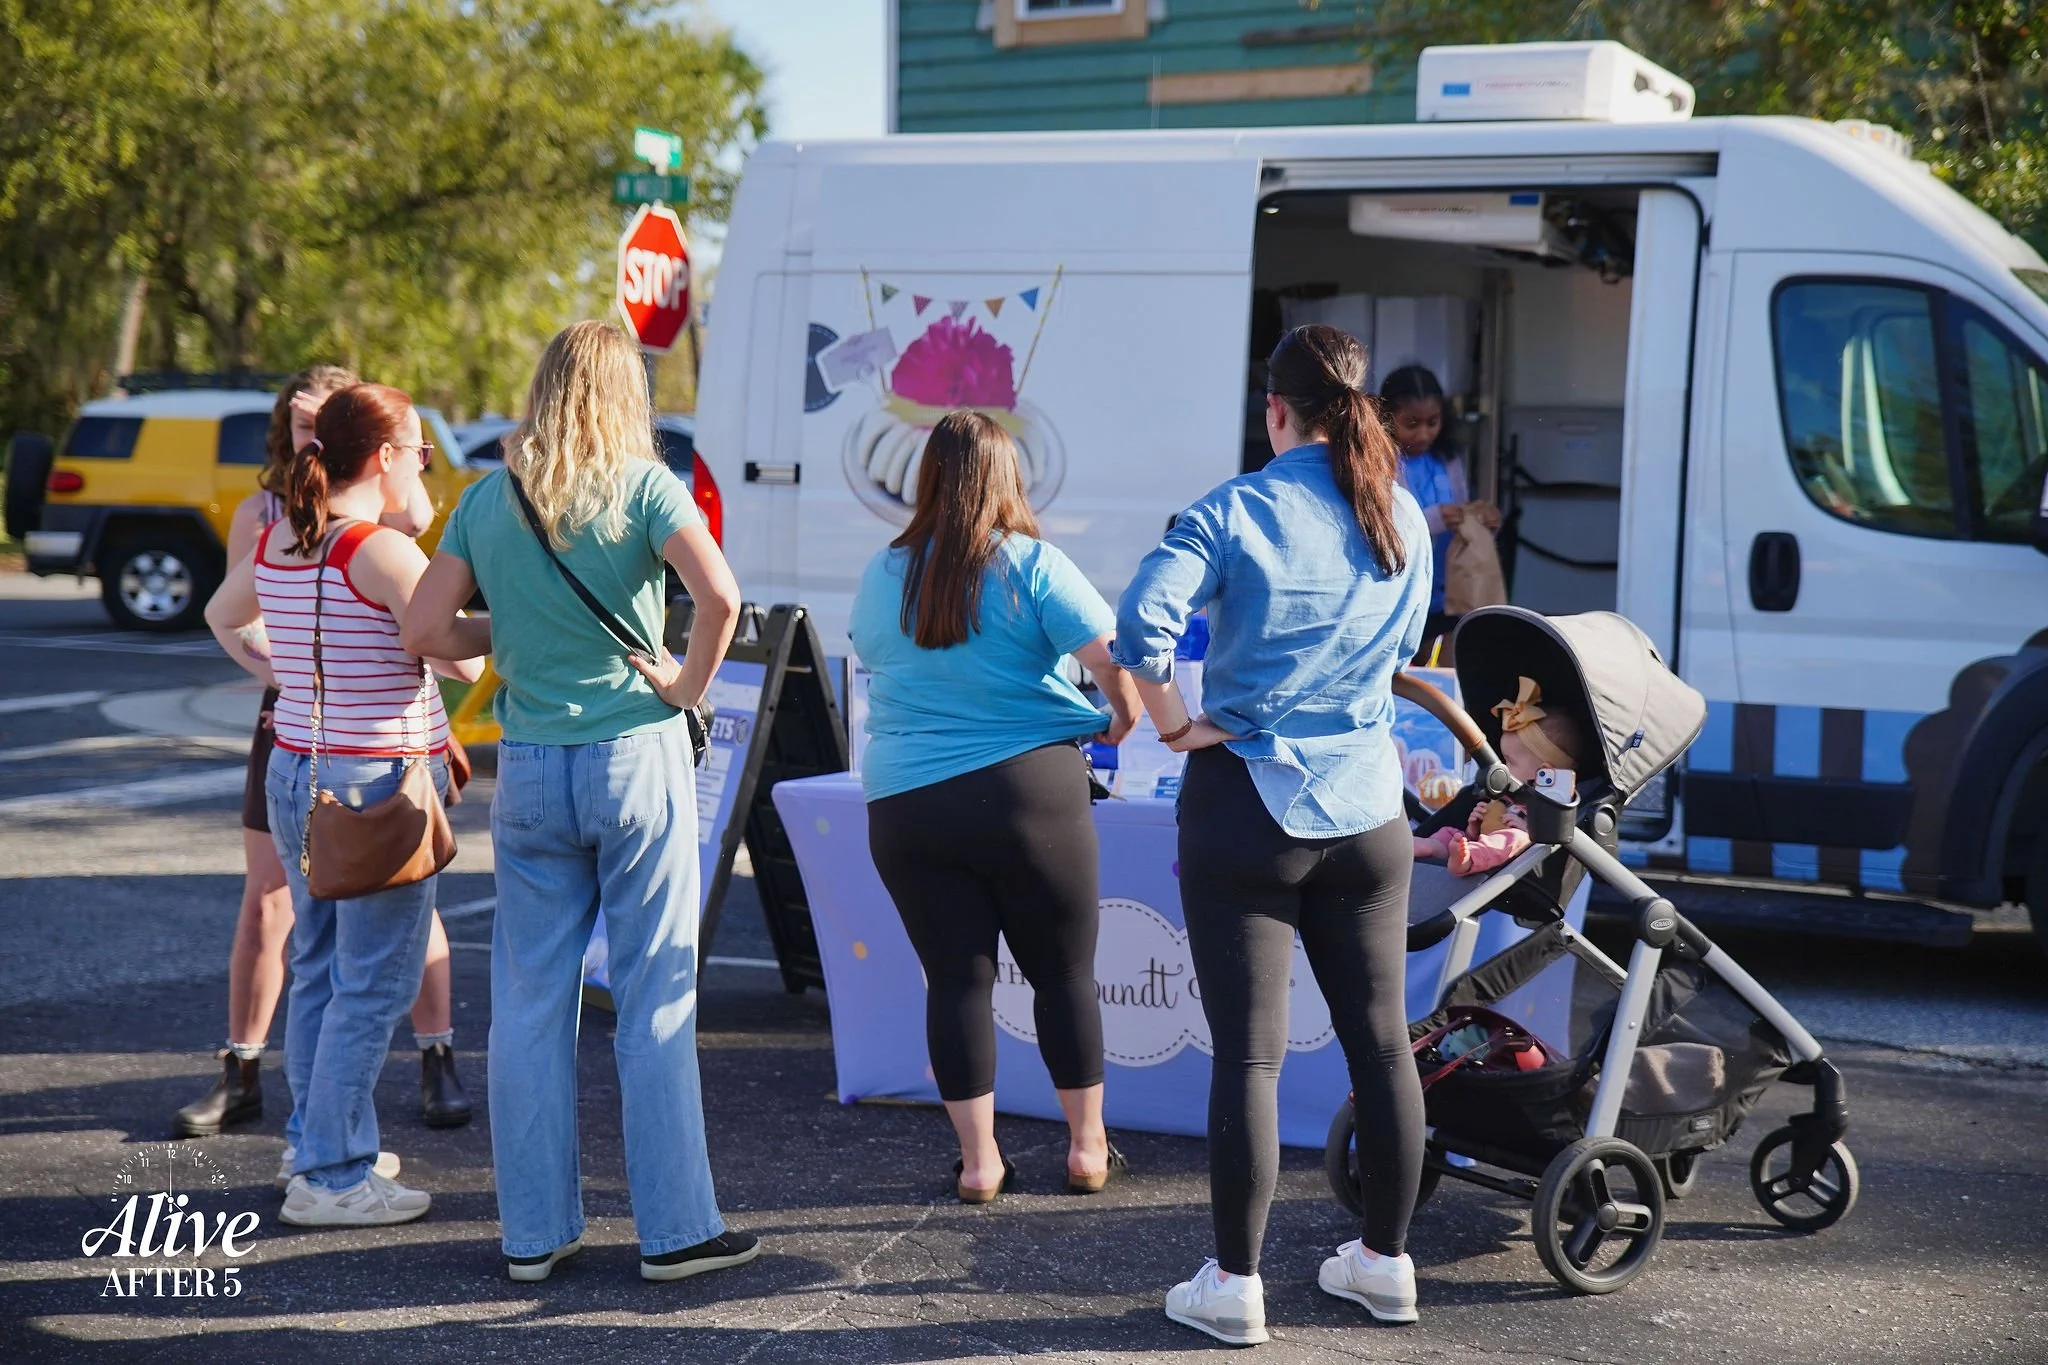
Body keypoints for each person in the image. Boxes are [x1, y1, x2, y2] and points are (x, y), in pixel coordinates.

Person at [403, 320, 757, 1285]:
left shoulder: (487, 499)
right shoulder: (646, 488)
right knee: (652, 998)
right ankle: (677, 1232)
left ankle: (534, 1233)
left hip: (530, 766)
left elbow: (426, 625)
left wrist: (507, 625)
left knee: (526, 1004)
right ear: (624, 395)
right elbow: (719, 597)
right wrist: (686, 687)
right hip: (633, 758)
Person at [1114, 325, 1434, 1346]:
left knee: (1247, 1061)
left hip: (1247, 803)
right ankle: (1384, 1266)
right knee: (1382, 1044)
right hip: (1369, 809)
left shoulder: (1235, 507)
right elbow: (1402, 653)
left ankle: (1235, 1286)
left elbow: (1138, 627)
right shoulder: (1405, 516)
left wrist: (1173, 724)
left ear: (1274, 410)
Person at [205, 383, 485, 1227]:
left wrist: (285, 674)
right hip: (378, 784)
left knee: (321, 966)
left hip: (298, 767)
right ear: (389, 457)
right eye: (421, 454)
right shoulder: (383, 552)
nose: (425, 470)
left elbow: (224, 617)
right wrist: (507, 622)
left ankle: (315, 1137)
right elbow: (459, 658)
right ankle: (331, 1173)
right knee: (377, 981)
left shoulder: (289, 540)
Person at [848, 410, 1141, 1204]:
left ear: (929, 479)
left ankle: (980, 1165)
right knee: (1064, 975)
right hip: (1030, 792)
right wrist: (1119, 715)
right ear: (1008, 478)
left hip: (908, 800)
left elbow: (873, 655)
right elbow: (1113, 660)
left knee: (955, 983)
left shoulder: (884, 570)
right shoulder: (1034, 563)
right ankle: (1086, 1151)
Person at [1378, 365, 1501, 652]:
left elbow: (1460, 516)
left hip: (1449, 594)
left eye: (1432, 423)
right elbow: (1381, 526)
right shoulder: (1379, 461)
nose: (1424, 434)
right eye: (1412, 423)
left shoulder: (1447, 460)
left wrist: (1481, 523)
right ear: (1385, 418)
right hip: (1401, 595)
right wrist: (1432, 519)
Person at [1414, 677, 1585, 875]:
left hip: (1514, 855)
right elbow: (1485, 830)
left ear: (1542, 771)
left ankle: (1468, 860)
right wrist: (1474, 827)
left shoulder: (1549, 805)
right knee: (1451, 834)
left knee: (1513, 839)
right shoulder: (1506, 795)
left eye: (1510, 762)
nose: (1503, 768)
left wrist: (1525, 829)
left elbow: (1541, 842)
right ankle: (1432, 846)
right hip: (1480, 843)